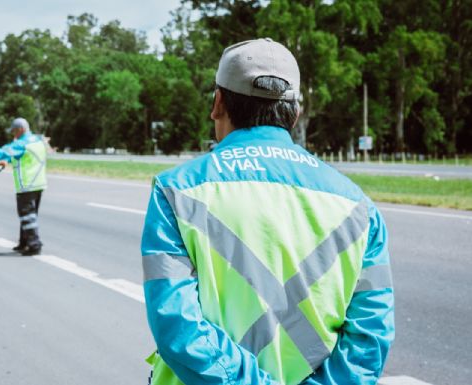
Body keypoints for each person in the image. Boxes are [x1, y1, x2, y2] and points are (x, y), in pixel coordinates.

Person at [140, 38, 394, 385]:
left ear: (217, 103)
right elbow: (369, 339)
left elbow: (176, 326)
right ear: (295, 114)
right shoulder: (359, 208)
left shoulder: (175, 191)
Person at [0, 118, 47, 256]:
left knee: (27, 216)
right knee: (29, 215)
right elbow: (25, 157)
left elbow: (5, 151)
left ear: (21, 130)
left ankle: (34, 245)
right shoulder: (36, 140)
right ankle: (24, 243)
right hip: (38, 184)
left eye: (14, 131)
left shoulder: (22, 143)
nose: (13, 135)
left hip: (27, 185)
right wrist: (7, 161)